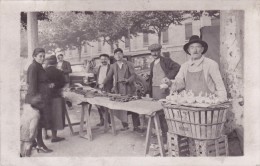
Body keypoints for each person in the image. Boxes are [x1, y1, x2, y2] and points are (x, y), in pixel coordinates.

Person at [163, 35, 227, 100]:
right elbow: (179, 83)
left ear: (202, 49)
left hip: (208, 105)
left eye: (198, 47)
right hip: (190, 105)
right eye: (192, 47)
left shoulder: (211, 64)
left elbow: (220, 86)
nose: (195, 50)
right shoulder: (184, 66)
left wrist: (222, 102)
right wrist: (169, 83)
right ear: (188, 50)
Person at [101, 48, 143, 133]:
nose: (118, 55)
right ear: (114, 56)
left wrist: (128, 80)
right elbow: (108, 76)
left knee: (133, 107)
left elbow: (133, 75)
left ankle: (136, 126)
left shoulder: (129, 64)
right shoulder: (113, 66)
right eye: (116, 54)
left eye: (120, 53)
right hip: (119, 89)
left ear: (122, 55)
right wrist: (102, 83)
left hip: (129, 88)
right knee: (121, 108)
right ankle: (125, 125)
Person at [148, 43, 180, 142]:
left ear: (160, 51)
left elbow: (177, 67)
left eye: (157, 51)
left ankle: (168, 135)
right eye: (153, 51)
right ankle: (163, 134)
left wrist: (168, 78)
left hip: (163, 89)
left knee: (164, 112)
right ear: (151, 53)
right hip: (154, 89)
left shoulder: (166, 60)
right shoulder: (152, 64)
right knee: (157, 112)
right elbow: (151, 78)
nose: (155, 53)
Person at [25, 48, 53, 153]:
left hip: (41, 98)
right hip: (36, 99)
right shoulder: (33, 67)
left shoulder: (39, 67)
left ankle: (34, 143)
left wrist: (48, 84)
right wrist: (34, 100)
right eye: (40, 56)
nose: (42, 58)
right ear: (34, 56)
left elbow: (41, 81)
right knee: (38, 122)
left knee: (38, 122)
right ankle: (40, 145)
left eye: (43, 56)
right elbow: (31, 85)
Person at [45, 55, 67, 142]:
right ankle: (54, 137)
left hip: (46, 97)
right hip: (56, 96)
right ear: (56, 63)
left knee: (46, 115)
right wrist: (55, 85)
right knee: (56, 116)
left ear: (48, 62)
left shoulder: (43, 71)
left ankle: (45, 134)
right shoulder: (59, 72)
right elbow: (63, 83)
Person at [95, 54, 113, 126]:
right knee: (99, 105)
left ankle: (109, 122)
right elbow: (88, 71)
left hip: (107, 88)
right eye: (102, 59)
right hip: (99, 87)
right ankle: (102, 120)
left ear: (108, 59)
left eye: (105, 59)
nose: (103, 60)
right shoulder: (99, 67)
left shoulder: (111, 67)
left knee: (106, 105)